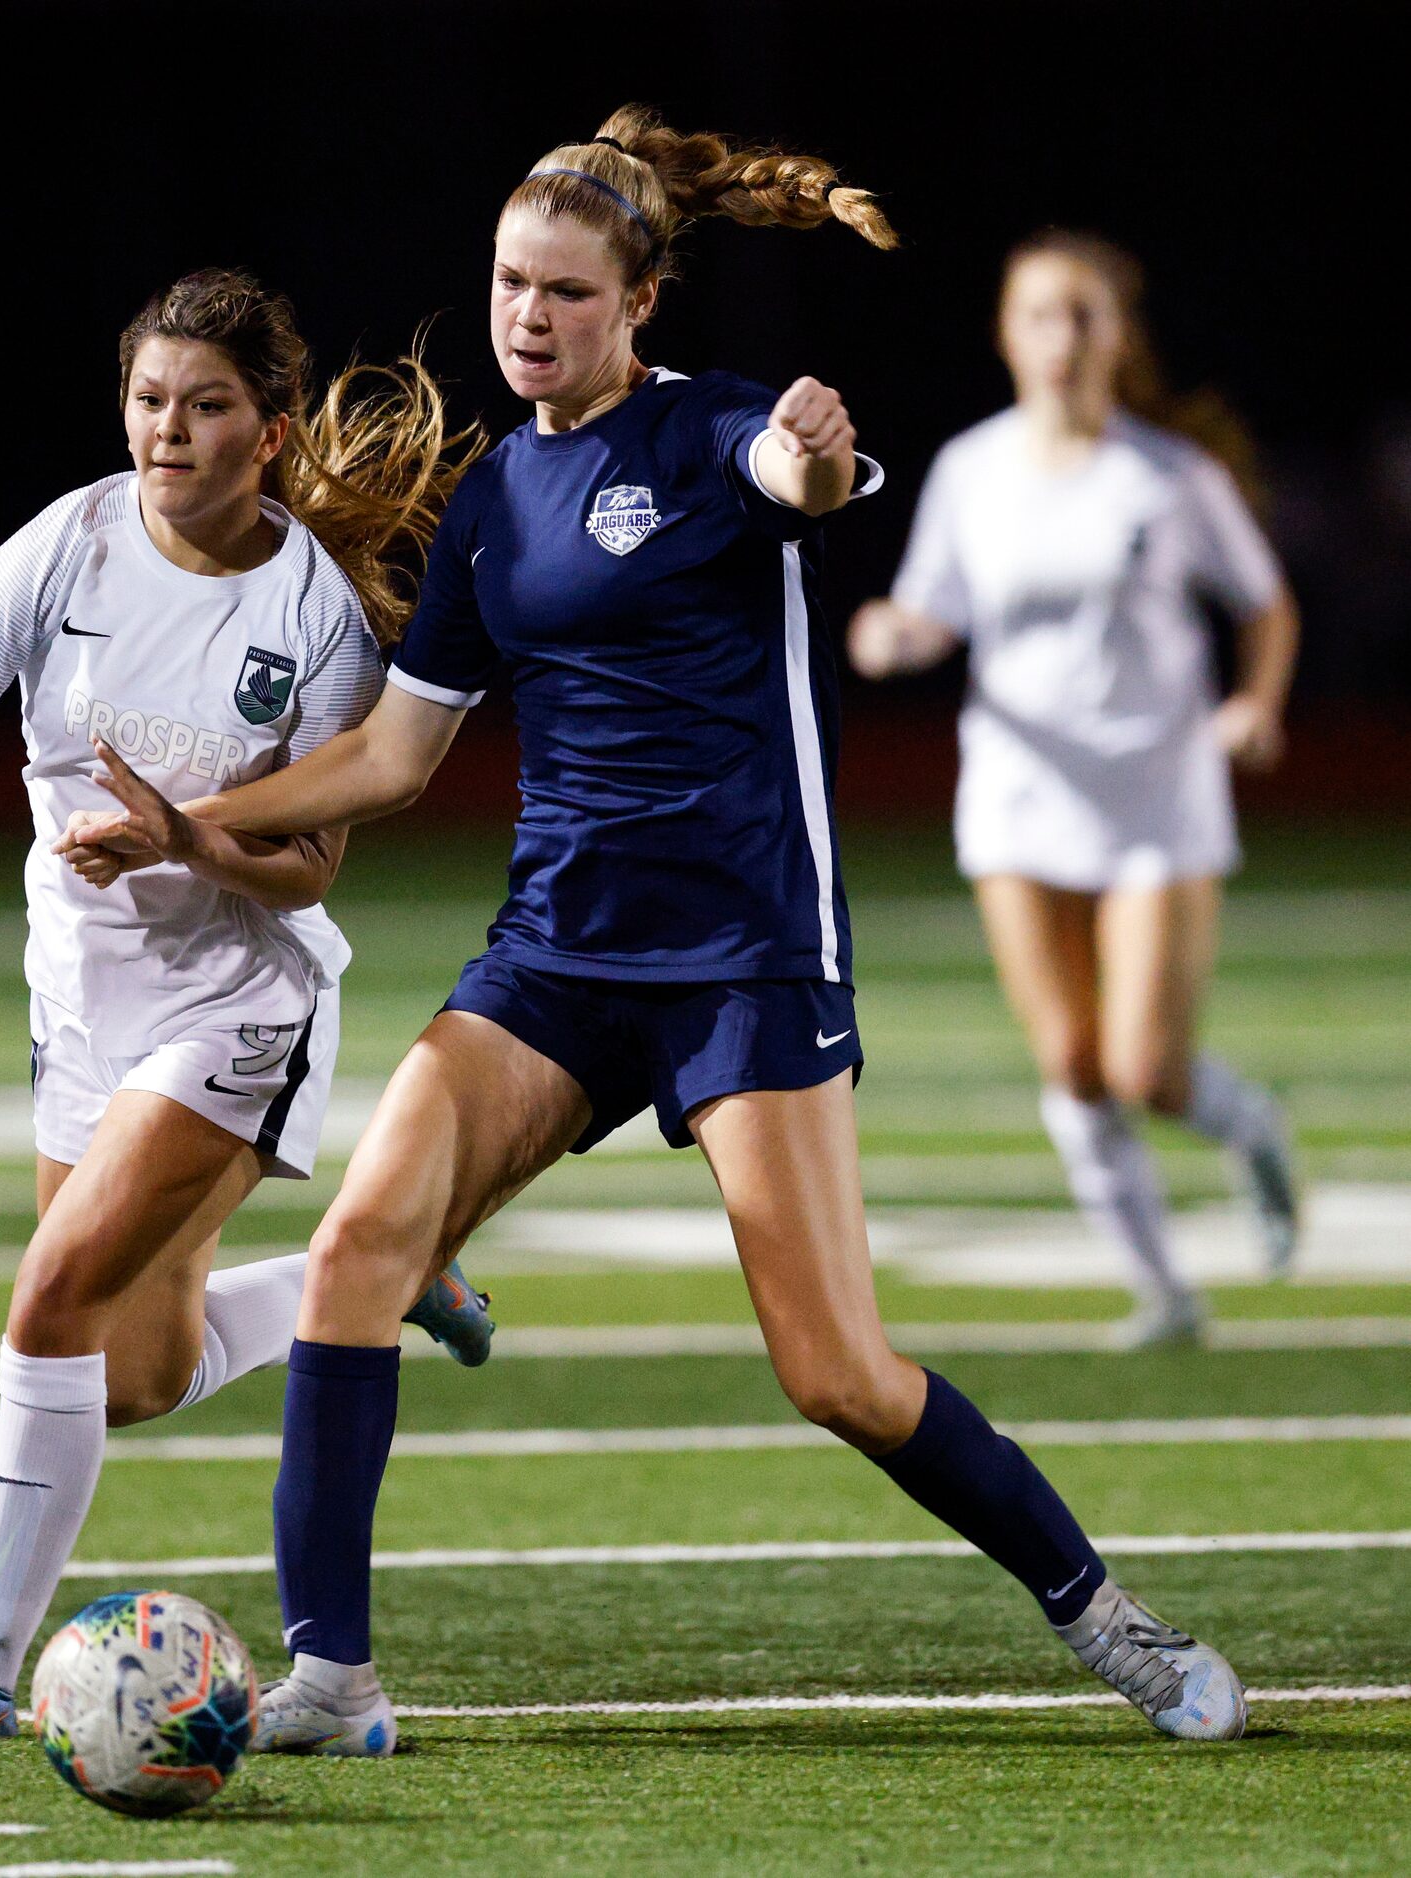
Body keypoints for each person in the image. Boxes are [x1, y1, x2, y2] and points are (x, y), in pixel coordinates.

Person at [72, 116, 1249, 1755]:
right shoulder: (493, 499)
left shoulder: (722, 434)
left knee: (835, 1370)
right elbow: (402, 754)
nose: (525, 315)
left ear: (636, 306)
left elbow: (804, 480)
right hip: (555, 952)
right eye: (505, 283)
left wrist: (819, 456)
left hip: (743, 958)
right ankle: (331, 1676)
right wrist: (212, 827)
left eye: (562, 289)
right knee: (352, 1256)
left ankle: (1102, 1612)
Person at [0, 267, 494, 1744]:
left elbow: (306, 872)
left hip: (238, 999)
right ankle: (369, 1280)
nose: (167, 430)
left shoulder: (315, 617)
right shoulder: (71, 542)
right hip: (81, 1007)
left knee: (45, 1300)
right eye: (148, 400)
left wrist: (187, 836)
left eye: (206, 405)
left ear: (273, 431)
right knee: (132, 1374)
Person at [849, 232, 1300, 1346]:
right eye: (1041, 314)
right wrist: (891, 635)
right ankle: (1167, 1295)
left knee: (1148, 1066)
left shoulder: (1169, 476)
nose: (1063, 337)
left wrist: (1256, 702)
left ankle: (1253, 1131)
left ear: (1119, 334)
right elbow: (933, 609)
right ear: (1008, 333)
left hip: (1158, 791)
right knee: (1072, 1062)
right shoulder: (971, 469)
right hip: (1019, 794)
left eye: (1085, 314)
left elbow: (1264, 602)